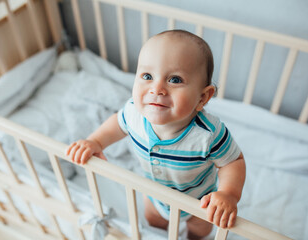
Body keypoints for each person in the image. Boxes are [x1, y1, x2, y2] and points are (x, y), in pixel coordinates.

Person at [66, 29, 246, 240]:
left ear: (202, 98)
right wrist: (95, 141)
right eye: (147, 76)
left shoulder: (209, 134)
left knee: (200, 230)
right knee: (155, 224)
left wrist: (228, 194)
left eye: (175, 80)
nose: (157, 88)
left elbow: (233, 162)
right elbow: (117, 123)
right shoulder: (134, 112)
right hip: (155, 197)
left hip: (199, 202)